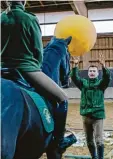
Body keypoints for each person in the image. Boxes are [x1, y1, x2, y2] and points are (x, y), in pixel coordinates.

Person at [1, 0, 76, 152]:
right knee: (62, 98)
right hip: (27, 69)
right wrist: (36, 63)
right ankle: (59, 141)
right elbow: (38, 50)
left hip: (2, 68)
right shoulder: (30, 18)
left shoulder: (1, 18)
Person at [70, 53, 111, 159]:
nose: (92, 72)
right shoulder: (83, 84)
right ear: (88, 73)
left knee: (99, 140)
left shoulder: (101, 84)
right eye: (90, 71)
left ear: (97, 73)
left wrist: (104, 66)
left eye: (94, 71)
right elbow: (74, 77)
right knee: (89, 141)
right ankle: (94, 157)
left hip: (98, 116)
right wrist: (75, 66)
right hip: (86, 116)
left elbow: (107, 78)